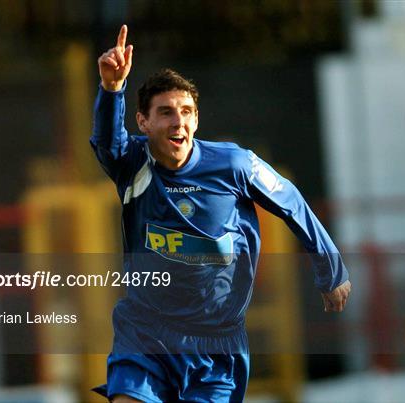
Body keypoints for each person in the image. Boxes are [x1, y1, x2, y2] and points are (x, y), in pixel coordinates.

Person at [91, 25, 351, 403]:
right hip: (146, 331)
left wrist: (331, 269)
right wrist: (112, 89)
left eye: (186, 112)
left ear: (196, 120)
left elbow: (290, 199)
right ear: (143, 123)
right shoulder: (132, 162)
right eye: (165, 113)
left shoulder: (234, 164)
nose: (178, 122)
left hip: (216, 344)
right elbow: (106, 142)